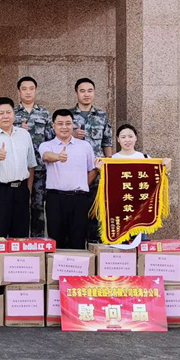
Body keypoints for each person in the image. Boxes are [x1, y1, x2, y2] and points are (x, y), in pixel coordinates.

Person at [39, 109, 97, 249]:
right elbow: (46, 156)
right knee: (56, 241)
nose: (64, 127)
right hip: (55, 199)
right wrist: (58, 157)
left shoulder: (85, 146)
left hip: (79, 199)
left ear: (73, 125)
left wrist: (82, 184)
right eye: (60, 124)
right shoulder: (46, 145)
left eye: (68, 123)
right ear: (53, 126)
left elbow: (93, 169)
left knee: (78, 240)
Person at [0, 97, 37, 238]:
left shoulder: (24, 135)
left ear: (14, 114)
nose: (5, 116)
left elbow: (31, 165)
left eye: (8, 112)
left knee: (20, 236)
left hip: (21, 191)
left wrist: (28, 191)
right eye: (1, 113)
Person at [70, 78, 113, 242]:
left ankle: (94, 243)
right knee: (76, 209)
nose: (86, 94)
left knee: (96, 209)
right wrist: (73, 135)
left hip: (97, 170)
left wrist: (109, 166)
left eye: (90, 91)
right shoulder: (68, 115)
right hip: (75, 170)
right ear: (76, 93)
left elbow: (107, 142)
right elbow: (58, 139)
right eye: (82, 91)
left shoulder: (102, 115)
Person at [14, 76, 54, 237]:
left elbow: (51, 139)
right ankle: (19, 239)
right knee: (19, 205)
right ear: (18, 92)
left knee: (38, 206)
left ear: (36, 90)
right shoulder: (12, 113)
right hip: (18, 168)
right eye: (24, 89)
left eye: (31, 89)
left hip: (40, 168)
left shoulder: (44, 113)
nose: (28, 92)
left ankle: (37, 240)